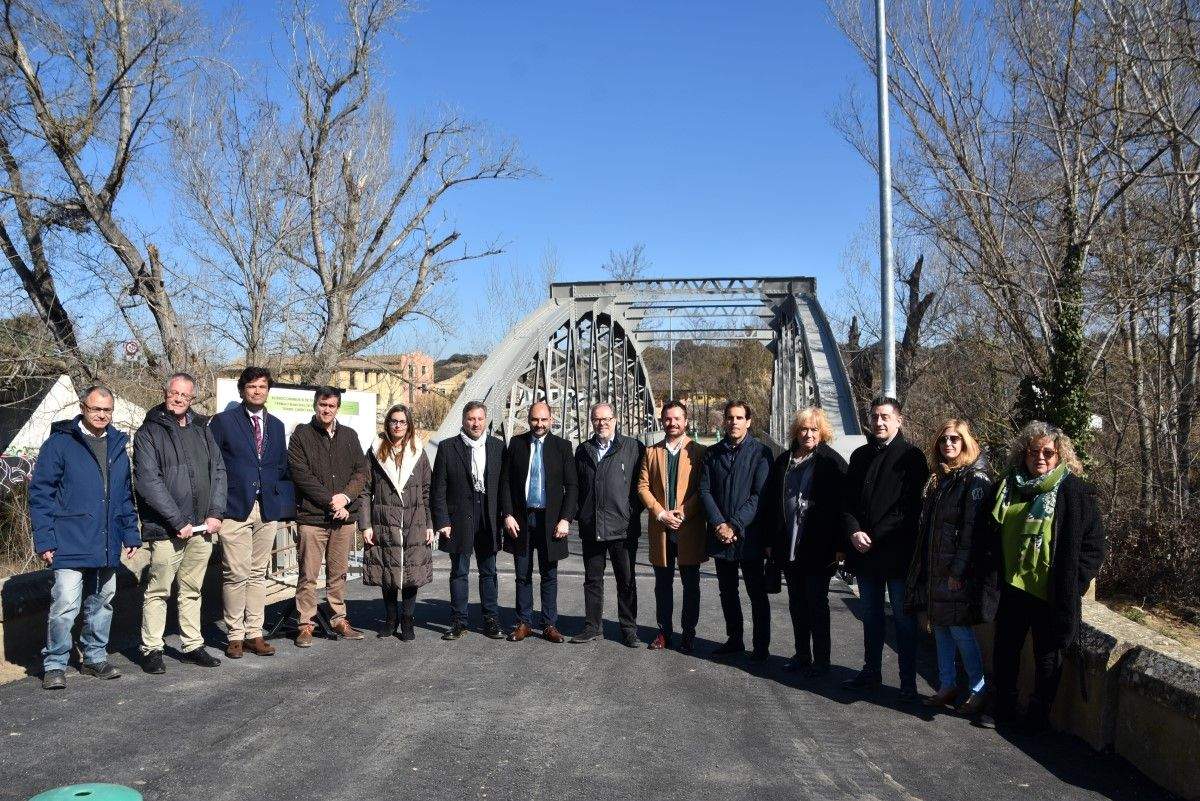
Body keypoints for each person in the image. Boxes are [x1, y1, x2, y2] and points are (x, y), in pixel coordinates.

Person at [990, 421, 1105, 732]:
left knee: (1047, 654)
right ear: (1023, 455)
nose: (1039, 457)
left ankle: (1039, 715)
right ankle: (1003, 706)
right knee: (1006, 649)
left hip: (1051, 590)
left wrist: (1075, 581)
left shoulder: (1074, 492)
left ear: (1060, 455)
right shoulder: (1008, 487)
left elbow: (1094, 546)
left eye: (1047, 452)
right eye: (1032, 452)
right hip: (1013, 585)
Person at [30, 385, 140, 690]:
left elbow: (124, 497)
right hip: (69, 538)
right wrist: (45, 540)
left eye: (107, 410)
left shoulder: (118, 445)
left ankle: (94, 657)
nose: (102, 415)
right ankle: (54, 663)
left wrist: (130, 532)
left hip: (107, 538)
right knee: (65, 603)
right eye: (96, 409)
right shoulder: (60, 444)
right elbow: (41, 494)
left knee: (102, 602)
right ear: (83, 407)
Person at [135, 372, 227, 673]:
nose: (178, 399)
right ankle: (151, 648)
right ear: (166, 392)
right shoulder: (149, 431)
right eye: (174, 393)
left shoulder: (202, 429)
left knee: (192, 589)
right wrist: (177, 520)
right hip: (167, 530)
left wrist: (215, 513)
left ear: (192, 398)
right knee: (158, 589)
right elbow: (149, 482)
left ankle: (192, 645)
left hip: (202, 528)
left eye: (185, 395)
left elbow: (218, 472)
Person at [904, 419, 996, 714]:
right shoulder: (943, 477)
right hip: (936, 569)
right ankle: (946, 685)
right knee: (941, 627)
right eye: (943, 440)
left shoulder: (975, 480)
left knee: (959, 629)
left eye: (955, 439)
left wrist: (958, 571)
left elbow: (973, 532)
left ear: (966, 442)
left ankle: (978, 688)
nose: (948, 445)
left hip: (956, 573)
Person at [841, 396, 929, 700]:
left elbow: (908, 508)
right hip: (864, 553)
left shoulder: (912, 457)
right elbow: (848, 501)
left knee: (904, 620)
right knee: (871, 615)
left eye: (885, 417)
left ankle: (907, 682)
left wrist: (873, 535)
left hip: (896, 554)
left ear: (898, 420)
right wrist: (853, 531)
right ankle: (871, 671)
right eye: (875, 417)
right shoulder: (860, 455)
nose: (879, 422)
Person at [209, 366, 294, 659]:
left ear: (268, 390)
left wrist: (277, 501)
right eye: (252, 386)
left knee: (259, 573)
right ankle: (234, 635)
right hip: (234, 508)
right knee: (235, 573)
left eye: (262, 386)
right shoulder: (223, 422)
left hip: (266, 509)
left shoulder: (277, 425)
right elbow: (213, 466)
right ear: (243, 390)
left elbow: (281, 467)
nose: (257, 391)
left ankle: (255, 633)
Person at [762, 407, 848, 676]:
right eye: (803, 429)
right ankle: (802, 654)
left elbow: (843, 506)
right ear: (795, 432)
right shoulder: (784, 461)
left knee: (817, 603)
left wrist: (840, 546)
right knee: (796, 602)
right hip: (789, 544)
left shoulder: (832, 462)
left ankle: (822, 661)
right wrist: (769, 540)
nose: (808, 434)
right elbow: (770, 504)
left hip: (819, 546)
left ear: (822, 432)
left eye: (813, 429)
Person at [287, 386, 369, 646]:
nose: (326, 409)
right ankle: (306, 624)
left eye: (331, 406)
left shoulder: (349, 435)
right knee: (308, 575)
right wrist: (330, 500)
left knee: (338, 573)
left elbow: (360, 472)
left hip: (343, 518)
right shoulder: (301, 435)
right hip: (312, 518)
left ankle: (338, 618)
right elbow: (301, 475)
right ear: (315, 405)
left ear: (337, 408)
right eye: (323, 405)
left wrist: (345, 498)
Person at [700, 400, 773, 660]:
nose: (734, 422)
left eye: (739, 418)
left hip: (749, 535)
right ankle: (735, 639)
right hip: (721, 534)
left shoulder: (761, 453)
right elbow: (705, 490)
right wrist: (719, 523)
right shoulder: (713, 453)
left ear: (748, 421)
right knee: (727, 590)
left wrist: (734, 524)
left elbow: (759, 495)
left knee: (756, 592)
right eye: (730, 418)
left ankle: (761, 646)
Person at [499, 401, 578, 643]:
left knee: (549, 574)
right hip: (521, 519)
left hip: (551, 520)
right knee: (522, 574)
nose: (539, 424)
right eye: (535, 419)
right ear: (528, 419)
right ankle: (524, 623)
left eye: (544, 420)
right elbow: (505, 483)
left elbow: (572, 486)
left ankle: (549, 624)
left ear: (551, 420)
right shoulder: (516, 444)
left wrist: (565, 518)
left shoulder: (562, 447)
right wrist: (507, 514)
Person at [571, 402, 645, 647]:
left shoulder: (633, 447)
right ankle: (593, 627)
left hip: (622, 527)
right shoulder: (583, 450)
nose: (601, 423)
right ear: (591, 422)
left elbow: (642, 487)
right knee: (592, 580)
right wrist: (580, 515)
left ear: (615, 420)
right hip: (592, 527)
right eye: (596, 420)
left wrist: (631, 513)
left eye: (606, 419)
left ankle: (629, 629)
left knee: (626, 580)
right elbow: (576, 488)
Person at [431, 401, 506, 641]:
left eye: (480, 419)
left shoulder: (497, 447)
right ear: (464, 421)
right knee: (459, 571)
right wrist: (442, 520)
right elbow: (438, 488)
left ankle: (491, 620)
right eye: (471, 419)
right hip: (458, 518)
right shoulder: (447, 447)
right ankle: (459, 621)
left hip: (487, 517)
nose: (476, 423)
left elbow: (505, 486)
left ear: (486, 421)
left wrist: (506, 515)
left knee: (489, 572)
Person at [637, 400, 707, 653]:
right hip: (661, 528)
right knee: (662, 586)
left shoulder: (698, 452)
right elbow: (642, 486)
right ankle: (663, 632)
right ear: (662, 421)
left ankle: (689, 633)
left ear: (685, 421)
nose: (672, 423)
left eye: (677, 418)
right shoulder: (651, 452)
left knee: (691, 585)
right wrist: (659, 513)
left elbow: (703, 489)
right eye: (667, 419)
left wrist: (684, 512)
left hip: (689, 528)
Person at [360, 404, 433, 641]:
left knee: (411, 572)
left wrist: (430, 524)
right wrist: (366, 525)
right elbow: (365, 490)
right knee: (387, 570)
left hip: (414, 520)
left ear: (408, 425)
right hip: (384, 519)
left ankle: (408, 620)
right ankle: (390, 619)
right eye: (394, 421)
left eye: (402, 422)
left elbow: (426, 491)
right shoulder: (375, 451)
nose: (398, 426)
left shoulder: (418, 453)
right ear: (388, 423)